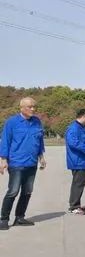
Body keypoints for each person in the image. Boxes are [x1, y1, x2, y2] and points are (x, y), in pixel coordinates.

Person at [0, 97, 46, 230]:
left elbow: (39, 140)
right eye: (29, 107)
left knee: (27, 191)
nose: (33, 109)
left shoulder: (37, 121)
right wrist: (3, 160)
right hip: (16, 163)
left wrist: (41, 157)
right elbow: (5, 141)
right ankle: (4, 219)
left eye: (34, 106)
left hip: (32, 163)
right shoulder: (12, 122)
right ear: (21, 108)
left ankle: (19, 217)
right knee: (13, 191)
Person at [64, 109, 85, 214]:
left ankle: (76, 204)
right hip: (77, 160)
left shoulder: (82, 128)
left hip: (83, 160)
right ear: (84, 116)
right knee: (78, 184)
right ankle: (74, 206)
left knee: (80, 183)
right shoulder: (73, 128)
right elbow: (73, 143)